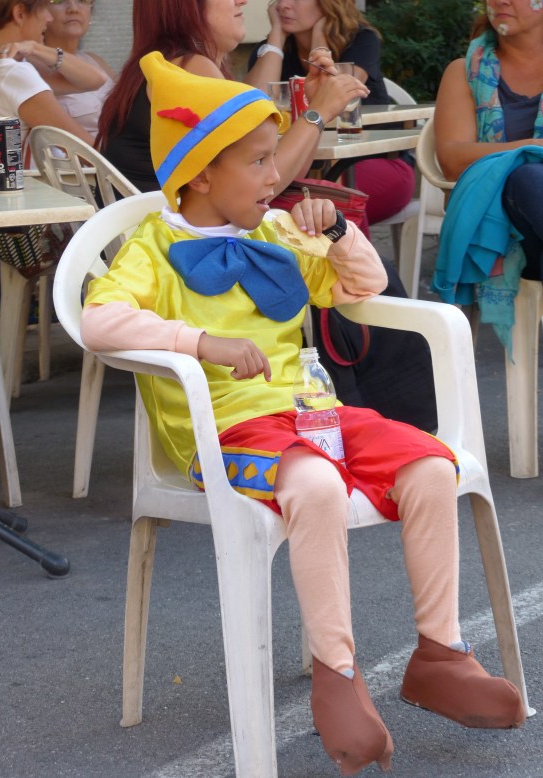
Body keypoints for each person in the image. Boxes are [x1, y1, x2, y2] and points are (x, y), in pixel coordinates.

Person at [81, 53, 526, 776]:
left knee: (427, 463)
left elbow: (363, 285)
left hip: (314, 412)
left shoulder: (276, 233)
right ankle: (338, 675)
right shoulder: (153, 248)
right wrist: (201, 342)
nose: (274, 176)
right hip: (229, 431)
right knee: (316, 487)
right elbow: (99, 323)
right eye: (258, 162)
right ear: (199, 174)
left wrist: (339, 232)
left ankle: (439, 654)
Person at [96, 0, 363, 194]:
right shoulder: (191, 70)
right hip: (172, 252)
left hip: (150, 241)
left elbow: (277, 176)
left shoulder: (167, 65)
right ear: (188, 6)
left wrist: (311, 109)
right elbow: (262, 186)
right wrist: (318, 112)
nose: (241, 1)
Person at [247, 0, 416, 234]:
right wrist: (276, 36)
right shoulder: (270, 52)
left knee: (329, 199)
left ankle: (357, 269)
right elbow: (250, 106)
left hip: (377, 161)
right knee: (296, 203)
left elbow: (340, 94)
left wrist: (319, 44)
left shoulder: (361, 39)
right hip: (297, 171)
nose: (284, 5)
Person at [432, 0, 543, 349]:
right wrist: (533, 147)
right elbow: (453, 158)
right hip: (507, 230)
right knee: (527, 179)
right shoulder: (464, 71)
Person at [0, 0, 107, 158]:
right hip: (36, 182)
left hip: (4, 180)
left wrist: (35, 48)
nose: (49, 18)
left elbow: (96, 80)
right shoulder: (13, 74)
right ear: (20, 14)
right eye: (44, 9)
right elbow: (89, 151)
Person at [43, 0, 116, 140]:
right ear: (41, 12)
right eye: (59, 1)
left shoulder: (95, 60)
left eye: (82, 0)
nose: (73, 8)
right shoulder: (34, 66)